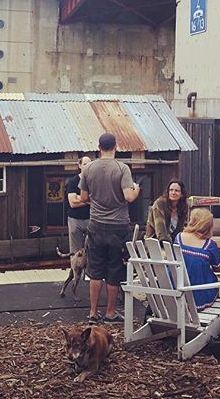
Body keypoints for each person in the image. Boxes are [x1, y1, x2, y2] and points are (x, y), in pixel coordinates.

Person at [80, 132, 140, 324]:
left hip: (96, 223)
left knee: (95, 269)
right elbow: (129, 197)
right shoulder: (122, 169)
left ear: (99, 147)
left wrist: (97, 202)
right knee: (114, 269)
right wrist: (137, 189)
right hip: (118, 225)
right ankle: (111, 313)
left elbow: (83, 198)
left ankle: (92, 312)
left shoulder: (88, 168)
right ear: (116, 147)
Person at [174, 208, 220, 310]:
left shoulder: (178, 238)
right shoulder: (210, 245)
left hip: (176, 290)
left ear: (193, 222)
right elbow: (217, 268)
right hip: (199, 294)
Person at [65, 156, 92, 253]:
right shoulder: (73, 182)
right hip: (75, 219)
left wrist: (79, 198)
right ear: (79, 165)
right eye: (85, 164)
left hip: (91, 218)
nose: (87, 166)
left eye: (89, 164)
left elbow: (97, 199)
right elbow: (72, 203)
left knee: (92, 248)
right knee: (75, 250)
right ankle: (74, 268)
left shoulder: (93, 181)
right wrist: (88, 200)